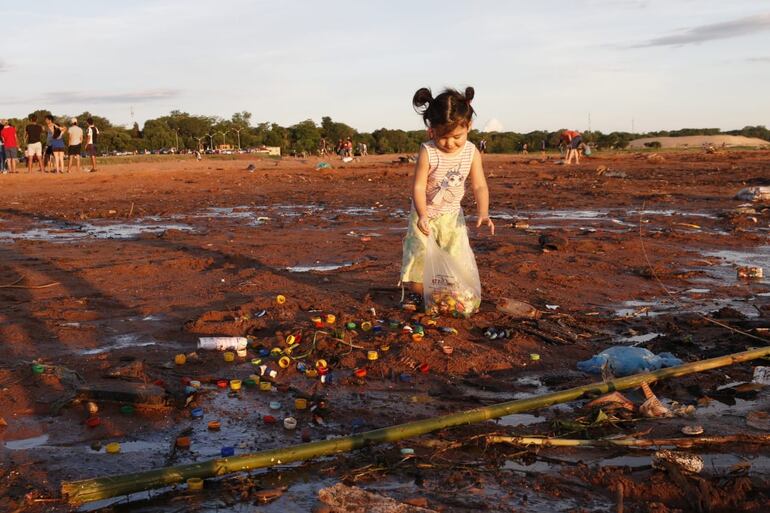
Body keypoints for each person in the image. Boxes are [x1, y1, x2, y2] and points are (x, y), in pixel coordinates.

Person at [400, 86, 494, 305]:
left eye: (457, 137)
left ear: (468, 126)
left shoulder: (471, 151)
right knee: (419, 256)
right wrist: (422, 215)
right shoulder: (428, 151)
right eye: (443, 137)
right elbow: (418, 187)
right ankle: (418, 294)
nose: (450, 143)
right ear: (431, 130)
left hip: (452, 216)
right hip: (424, 216)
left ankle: (449, 296)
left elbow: (480, 185)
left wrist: (484, 212)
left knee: (455, 256)